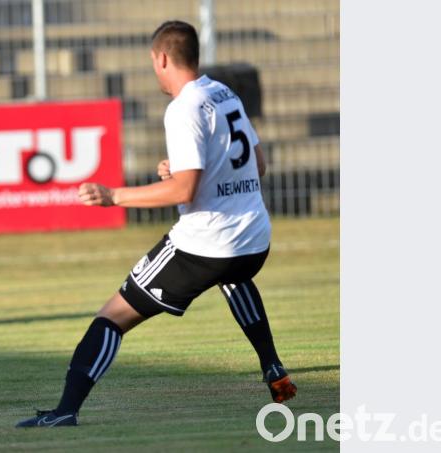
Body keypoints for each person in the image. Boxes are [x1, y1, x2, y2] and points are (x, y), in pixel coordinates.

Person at [16, 20, 295, 428]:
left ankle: (65, 411)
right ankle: (273, 368)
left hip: (206, 245)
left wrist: (114, 196)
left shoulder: (182, 108)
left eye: (153, 63)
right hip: (254, 242)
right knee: (232, 274)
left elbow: (184, 191)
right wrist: (183, 170)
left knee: (112, 316)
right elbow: (260, 164)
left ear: (162, 58)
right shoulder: (224, 92)